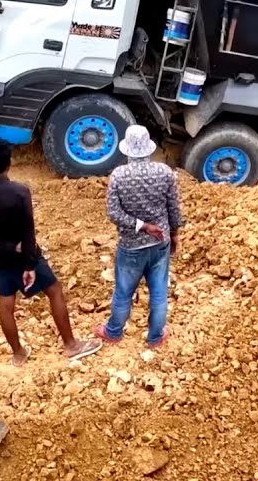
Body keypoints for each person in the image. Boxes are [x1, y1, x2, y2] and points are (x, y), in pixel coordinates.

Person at [0, 139, 101, 366]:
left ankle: (18, 353)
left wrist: (7, 247)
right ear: (9, 163)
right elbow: (28, 232)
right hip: (26, 257)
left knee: (6, 305)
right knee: (54, 291)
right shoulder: (20, 192)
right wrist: (29, 264)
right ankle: (71, 345)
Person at [97, 126, 183, 349]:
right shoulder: (164, 172)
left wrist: (141, 226)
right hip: (160, 242)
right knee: (159, 292)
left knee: (123, 293)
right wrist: (174, 234)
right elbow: (173, 208)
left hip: (131, 246)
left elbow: (113, 213)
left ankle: (114, 332)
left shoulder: (118, 176)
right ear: (148, 149)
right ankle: (155, 337)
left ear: (128, 150)